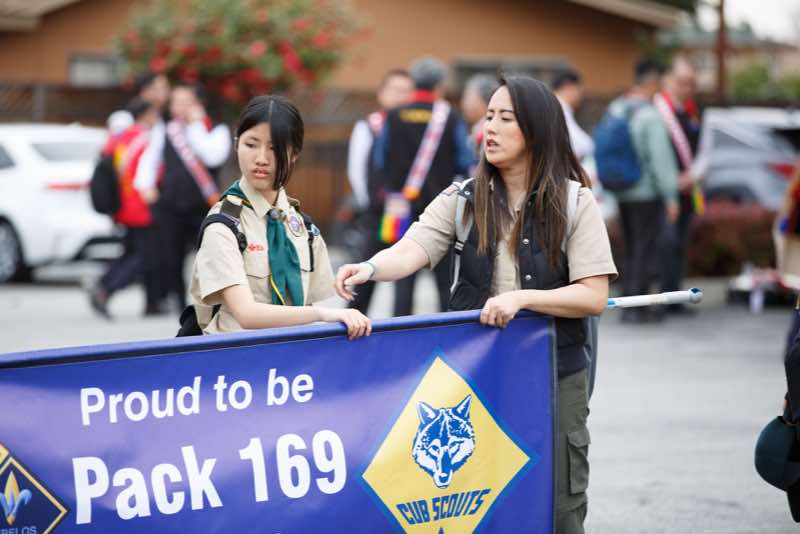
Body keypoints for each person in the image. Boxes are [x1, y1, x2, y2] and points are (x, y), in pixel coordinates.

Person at [335, 75, 617, 534]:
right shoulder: (461, 198)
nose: (490, 128)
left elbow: (593, 295)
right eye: (488, 117)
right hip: (479, 376)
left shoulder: (575, 201)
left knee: (559, 507)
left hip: (554, 375)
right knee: (481, 505)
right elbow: (411, 250)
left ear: (537, 128)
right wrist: (368, 267)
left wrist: (522, 299)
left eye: (506, 118)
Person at [189, 95, 371, 338]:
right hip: (237, 357)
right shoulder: (225, 224)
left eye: (275, 148)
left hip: (292, 358)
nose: (261, 158)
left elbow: (304, 305)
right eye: (251, 144)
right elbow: (246, 314)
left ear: (294, 153)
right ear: (237, 144)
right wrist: (323, 315)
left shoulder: (303, 227)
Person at [370, 56, 474, 316]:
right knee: (444, 280)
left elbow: (380, 160)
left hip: (399, 208)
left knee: (402, 274)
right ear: (440, 85)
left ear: (414, 83)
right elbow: (465, 161)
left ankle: (401, 331)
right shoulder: (450, 116)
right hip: (442, 207)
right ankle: (446, 332)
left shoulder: (394, 115)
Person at [135, 82, 232, 311]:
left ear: (198, 103)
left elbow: (213, 156)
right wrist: (145, 185)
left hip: (203, 205)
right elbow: (150, 158)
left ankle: (212, 301)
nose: (179, 107)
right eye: (176, 102)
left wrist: (196, 126)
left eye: (185, 101)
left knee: (210, 255)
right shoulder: (166, 129)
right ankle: (179, 304)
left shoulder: (215, 129)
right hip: (171, 204)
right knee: (172, 257)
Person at [607, 59, 679, 323]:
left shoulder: (617, 108)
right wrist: (671, 195)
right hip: (646, 193)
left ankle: (627, 301)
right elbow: (660, 159)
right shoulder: (649, 115)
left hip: (621, 190)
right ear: (653, 83)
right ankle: (639, 307)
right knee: (645, 249)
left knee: (631, 248)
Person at [345, 69, 414, 314]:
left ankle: (403, 327)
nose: (401, 96)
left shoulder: (417, 127)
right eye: (395, 90)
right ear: (382, 94)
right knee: (366, 271)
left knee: (406, 275)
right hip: (377, 212)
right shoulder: (369, 125)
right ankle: (352, 320)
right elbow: (356, 168)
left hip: (410, 212)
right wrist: (369, 202)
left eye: (406, 91)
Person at [89, 97, 162, 317]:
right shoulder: (145, 139)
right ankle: (106, 289)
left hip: (124, 205)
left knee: (131, 252)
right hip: (141, 205)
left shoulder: (123, 138)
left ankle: (151, 304)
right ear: (146, 115)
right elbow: (154, 171)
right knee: (143, 257)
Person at [654, 56, 704, 314]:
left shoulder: (692, 111)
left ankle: (676, 295)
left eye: (691, 83)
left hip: (689, 189)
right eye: (682, 82)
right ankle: (665, 298)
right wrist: (671, 180)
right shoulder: (657, 110)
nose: (687, 88)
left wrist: (696, 174)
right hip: (665, 192)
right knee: (667, 244)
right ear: (667, 79)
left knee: (681, 244)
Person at [552, 69, 593, 163]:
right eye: (579, 91)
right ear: (568, 87)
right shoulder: (557, 107)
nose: (580, 97)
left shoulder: (560, 107)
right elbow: (580, 146)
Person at [460, 73, 499, 160]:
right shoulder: (475, 129)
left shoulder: (489, 132)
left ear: (484, 100)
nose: (463, 103)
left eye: (468, 97)